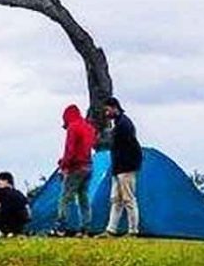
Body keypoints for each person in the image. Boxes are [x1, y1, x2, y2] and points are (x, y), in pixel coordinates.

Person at [52, 104, 96, 237]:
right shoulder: (89, 128)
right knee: (84, 198)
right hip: (88, 166)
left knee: (65, 198)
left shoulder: (73, 127)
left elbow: (70, 150)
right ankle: (85, 228)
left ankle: (60, 227)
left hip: (76, 168)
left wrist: (63, 165)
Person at [102, 96, 143, 237]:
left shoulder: (124, 125)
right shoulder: (119, 124)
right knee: (116, 199)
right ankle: (111, 229)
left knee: (128, 199)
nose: (106, 113)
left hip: (126, 167)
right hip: (118, 167)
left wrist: (128, 166)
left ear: (114, 108)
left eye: (107, 110)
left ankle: (133, 231)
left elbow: (131, 148)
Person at [0, 172, 30, 237]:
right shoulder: (19, 193)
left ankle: (7, 232)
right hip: (21, 218)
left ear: (6, 181)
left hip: (7, 217)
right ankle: (18, 232)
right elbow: (27, 207)